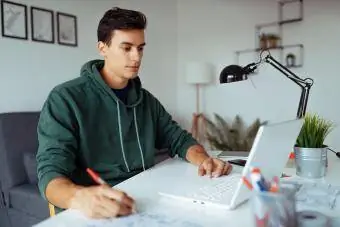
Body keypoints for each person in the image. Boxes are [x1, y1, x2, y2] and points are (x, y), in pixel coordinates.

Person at [36, 7, 233, 219]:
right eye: (127, 48)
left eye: (140, 48)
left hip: (145, 199)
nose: (136, 57)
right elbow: (50, 174)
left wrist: (203, 159)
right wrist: (80, 197)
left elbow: (179, 139)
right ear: (103, 48)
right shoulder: (65, 98)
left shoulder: (146, 100)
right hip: (95, 209)